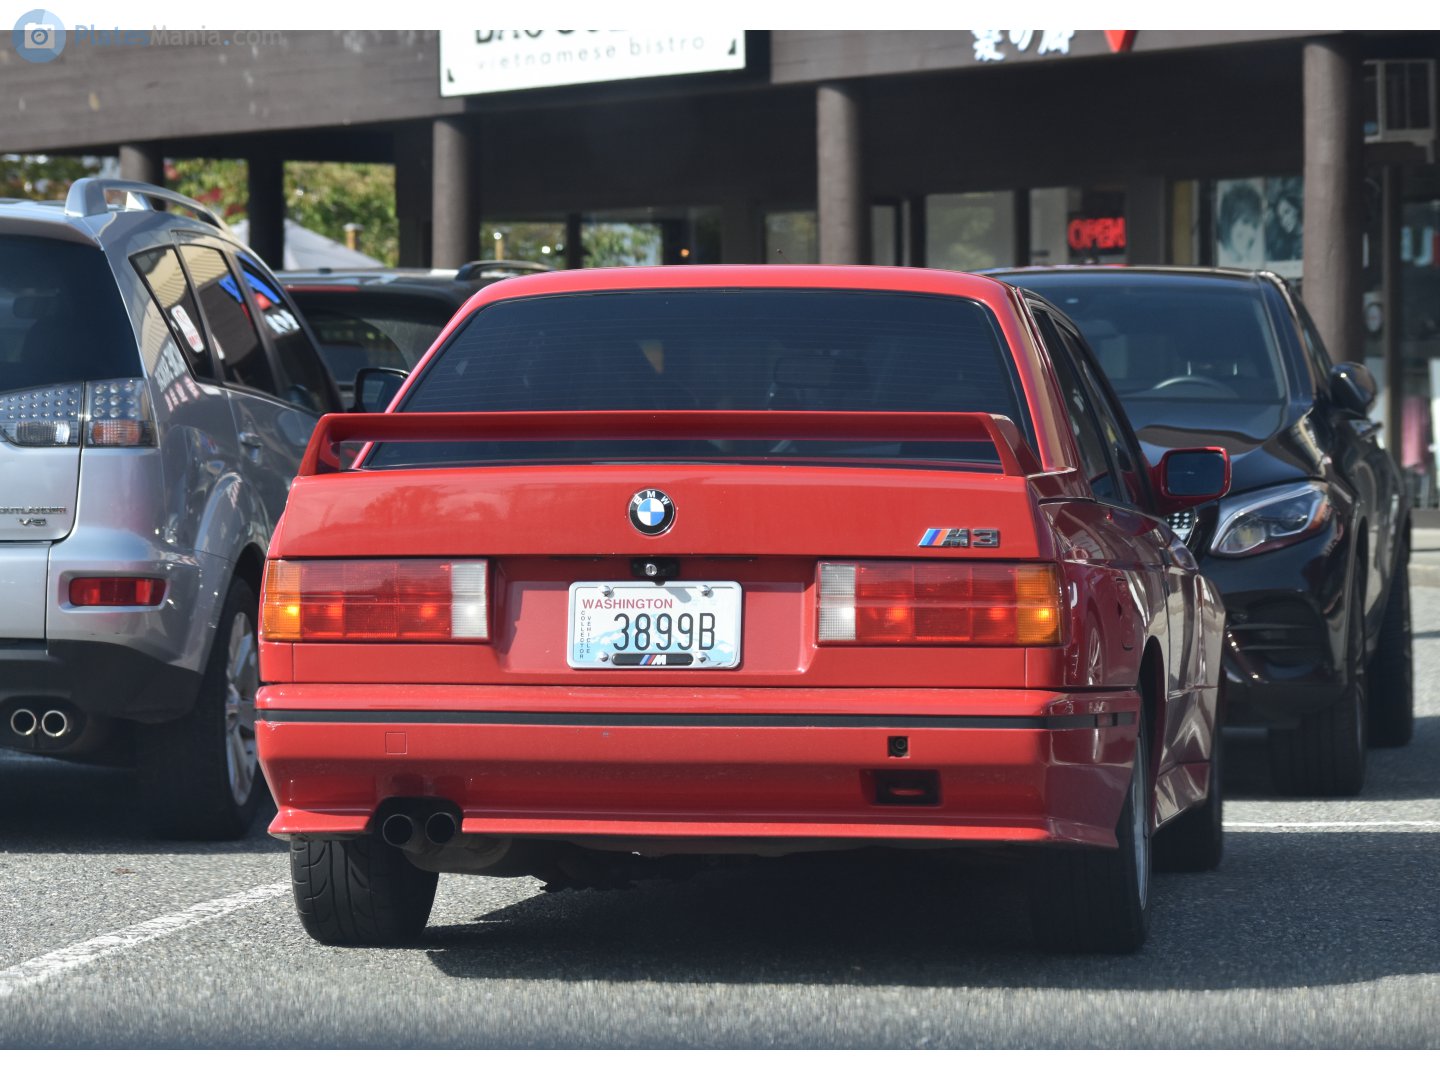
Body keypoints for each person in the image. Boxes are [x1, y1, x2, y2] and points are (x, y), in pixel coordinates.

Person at [1217, 183, 1264, 268]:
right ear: (1229, 220)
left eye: (1254, 225)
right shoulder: (1215, 257)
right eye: (1245, 222)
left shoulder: (1251, 265)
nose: (1251, 233)